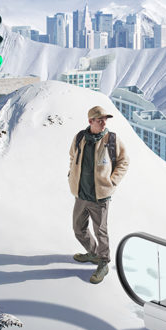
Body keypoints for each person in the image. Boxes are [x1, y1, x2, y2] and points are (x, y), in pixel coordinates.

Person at [68, 105, 129, 284]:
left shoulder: (111, 139)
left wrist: (113, 181)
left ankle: (103, 262)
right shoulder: (80, 137)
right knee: (78, 228)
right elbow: (72, 157)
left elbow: (124, 161)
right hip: (81, 193)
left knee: (100, 231)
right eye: (99, 120)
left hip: (100, 196)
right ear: (90, 121)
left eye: (105, 120)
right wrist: (71, 175)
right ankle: (93, 253)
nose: (104, 123)